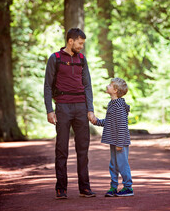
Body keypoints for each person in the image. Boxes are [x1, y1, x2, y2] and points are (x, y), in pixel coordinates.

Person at [44, 28, 96, 199]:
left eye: (83, 43)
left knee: (83, 149)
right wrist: (49, 110)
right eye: (80, 43)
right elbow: (47, 86)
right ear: (70, 41)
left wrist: (90, 109)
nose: (81, 46)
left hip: (81, 107)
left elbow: (87, 85)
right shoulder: (55, 58)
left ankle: (85, 187)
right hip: (63, 108)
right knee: (62, 149)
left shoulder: (82, 59)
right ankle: (61, 188)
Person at [92, 78, 134, 197]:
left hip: (120, 141)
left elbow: (122, 125)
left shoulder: (119, 106)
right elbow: (110, 121)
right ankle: (113, 187)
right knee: (113, 165)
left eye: (110, 85)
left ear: (115, 90)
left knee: (122, 164)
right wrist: (97, 122)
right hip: (114, 140)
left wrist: (120, 143)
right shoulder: (112, 104)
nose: (107, 86)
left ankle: (128, 187)